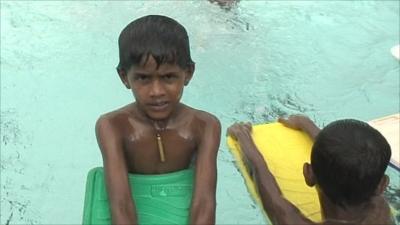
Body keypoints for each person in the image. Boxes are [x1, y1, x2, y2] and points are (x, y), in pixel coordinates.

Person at [95, 15, 221, 225]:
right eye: (143, 78)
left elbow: (204, 202)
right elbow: (121, 203)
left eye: (168, 77)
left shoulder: (205, 126)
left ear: (188, 73)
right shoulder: (112, 126)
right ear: (125, 77)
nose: (156, 92)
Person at [227, 115, 394, 225]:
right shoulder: (382, 212)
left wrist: (243, 137)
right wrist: (307, 125)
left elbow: (263, 180)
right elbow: (348, 156)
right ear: (383, 184)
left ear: (308, 174)